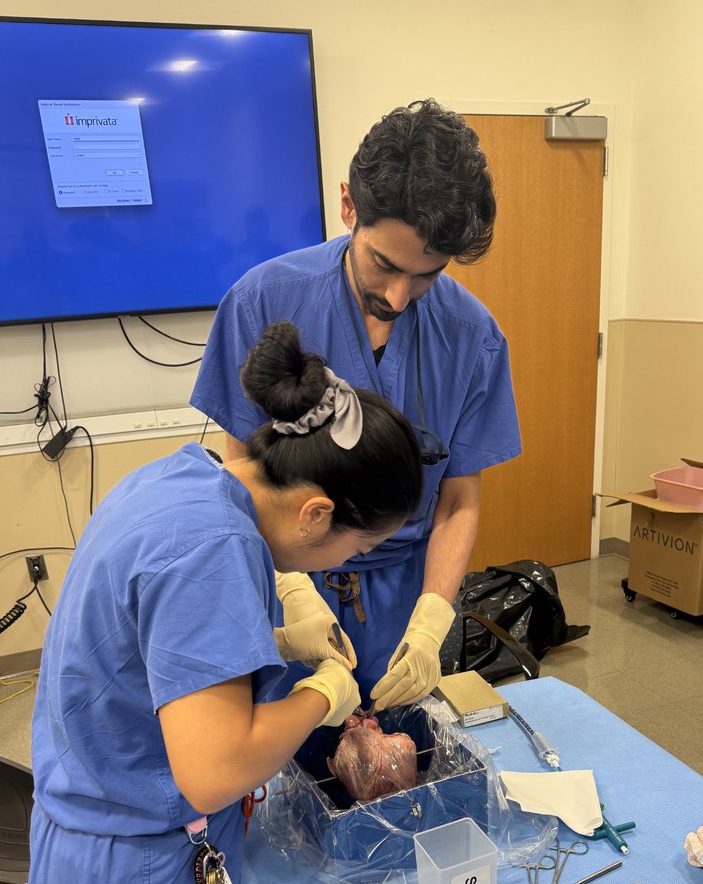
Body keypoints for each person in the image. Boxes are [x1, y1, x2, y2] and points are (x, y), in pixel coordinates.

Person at [25, 321, 423, 884]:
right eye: (353, 553)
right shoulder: (213, 548)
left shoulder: (185, 481)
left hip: (89, 852)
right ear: (317, 510)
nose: (346, 568)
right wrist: (326, 695)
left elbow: (146, 653)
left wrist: (269, 642)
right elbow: (211, 770)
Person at [190, 99, 521, 710]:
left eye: (427, 275)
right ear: (348, 206)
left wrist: (430, 624)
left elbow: (458, 498)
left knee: (399, 765)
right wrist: (291, 591)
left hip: (406, 593)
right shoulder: (263, 301)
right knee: (279, 767)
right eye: (384, 264)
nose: (399, 295)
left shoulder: (473, 337)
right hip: (288, 585)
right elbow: (240, 480)